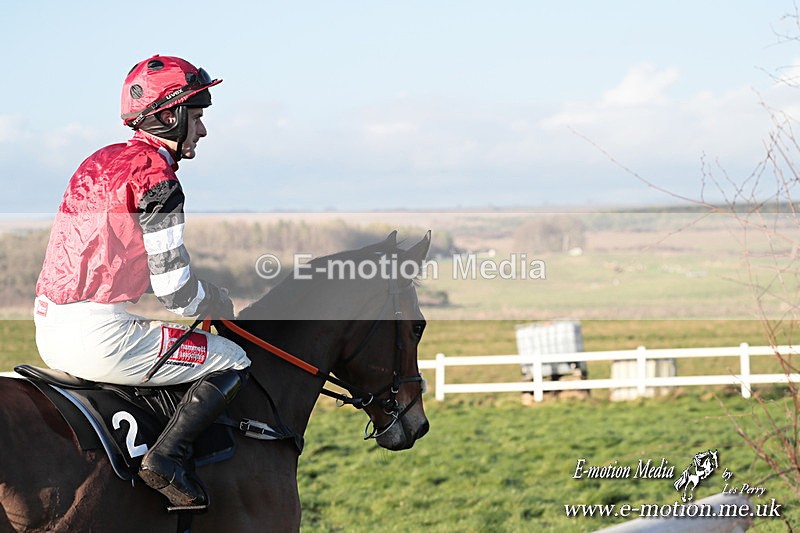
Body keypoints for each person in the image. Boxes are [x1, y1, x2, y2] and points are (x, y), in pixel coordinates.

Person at [33, 54, 251, 509]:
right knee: (233, 360)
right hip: (100, 338)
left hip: (49, 328)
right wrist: (214, 298)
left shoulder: (100, 161)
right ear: (171, 115)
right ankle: (167, 460)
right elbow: (175, 292)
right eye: (198, 116)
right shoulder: (157, 177)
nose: (203, 130)